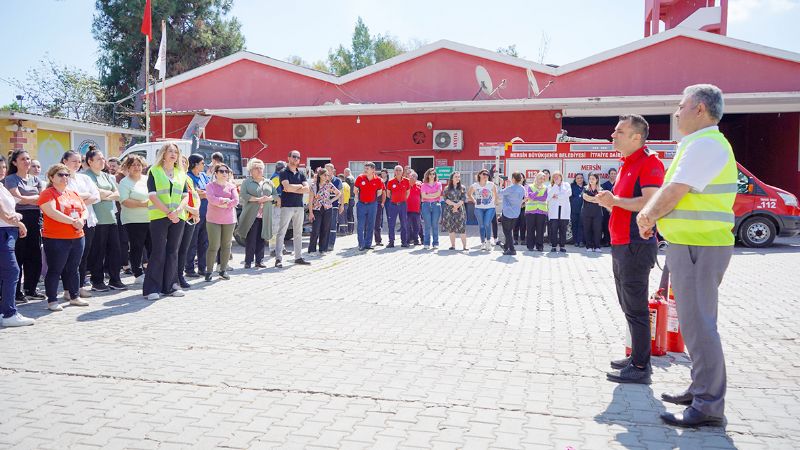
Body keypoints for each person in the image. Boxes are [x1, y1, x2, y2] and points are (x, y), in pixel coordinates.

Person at [635, 85, 736, 427]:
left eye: (682, 106)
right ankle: (700, 389)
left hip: (699, 246)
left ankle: (708, 405)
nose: (677, 113)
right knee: (695, 324)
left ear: (701, 110)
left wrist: (647, 216)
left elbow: (675, 191)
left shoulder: (706, 143)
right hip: (694, 245)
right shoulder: (699, 144)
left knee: (700, 325)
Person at [595, 114, 664, 387]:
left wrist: (616, 200)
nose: (613, 135)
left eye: (619, 132)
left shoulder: (649, 163)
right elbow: (625, 204)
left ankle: (640, 366)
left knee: (636, 308)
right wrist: (611, 203)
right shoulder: (626, 163)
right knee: (627, 305)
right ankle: (636, 356)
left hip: (636, 244)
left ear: (637, 137)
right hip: (622, 243)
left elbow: (650, 203)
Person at [38, 164, 88, 310]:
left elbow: (84, 210)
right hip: (56, 238)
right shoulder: (48, 193)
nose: (64, 177)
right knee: (55, 269)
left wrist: (82, 220)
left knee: (73, 268)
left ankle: (74, 296)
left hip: (77, 236)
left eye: (67, 175)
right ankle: (52, 300)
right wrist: (74, 222)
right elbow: (52, 212)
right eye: (60, 175)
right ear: (52, 177)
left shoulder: (73, 193)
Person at [144, 143, 189, 300]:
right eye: (170, 151)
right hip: (159, 216)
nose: (173, 154)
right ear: (163, 154)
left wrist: (177, 211)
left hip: (178, 217)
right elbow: (152, 195)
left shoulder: (181, 173)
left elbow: (185, 196)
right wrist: (168, 212)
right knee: (158, 251)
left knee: (172, 251)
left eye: (176, 152)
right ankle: (152, 288)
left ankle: (170, 286)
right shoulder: (154, 171)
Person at [5, 150, 45, 303]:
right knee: (19, 255)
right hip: (19, 220)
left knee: (34, 255)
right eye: (23, 159)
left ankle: (31, 289)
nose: (27, 162)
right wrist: (32, 199)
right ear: (15, 162)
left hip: (35, 219)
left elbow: (42, 199)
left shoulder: (36, 179)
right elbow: (16, 199)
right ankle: (16, 292)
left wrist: (26, 198)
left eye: (28, 159)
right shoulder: (11, 179)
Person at [84, 148, 126, 291]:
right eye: (99, 159)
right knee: (98, 251)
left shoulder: (107, 176)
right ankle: (97, 281)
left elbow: (117, 194)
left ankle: (115, 279)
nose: (103, 161)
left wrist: (104, 195)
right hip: (97, 219)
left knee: (115, 250)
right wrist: (106, 194)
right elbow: (95, 193)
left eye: (103, 158)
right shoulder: (87, 176)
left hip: (111, 217)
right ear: (90, 161)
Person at [61, 151, 100, 300]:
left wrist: (78, 201)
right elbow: (65, 198)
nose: (77, 164)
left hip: (87, 220)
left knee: (83, 255)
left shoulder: (85, 178)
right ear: (65, 161)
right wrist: (81, 198)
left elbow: (96, 196)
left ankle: (80, 286)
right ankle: (67, 289)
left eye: (79, 161)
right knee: (69, 257)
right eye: (74, 161)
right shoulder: (62, 179)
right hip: (70, 222)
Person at [0, 173, 34, 327]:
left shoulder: (2, 186)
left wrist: (15, 218)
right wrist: (18, 222)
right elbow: (3, 213)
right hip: (3, 232)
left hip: (8, 231)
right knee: (12, 271)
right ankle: (9, 313)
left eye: (3, 167)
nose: (2, 170)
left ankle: (4, 311)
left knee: (7, 272)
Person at [118, 155, 151, 284]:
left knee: (152, 246)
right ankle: (137, 273)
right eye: (133, 165)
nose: (137, 167)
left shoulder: (147, 179)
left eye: (139, 165)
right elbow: (125, 201)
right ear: (127, 167)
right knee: (137, 246)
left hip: (150, 218)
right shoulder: (124, 182)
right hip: (133, 220)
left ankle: (152, 271)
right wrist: (144, 203)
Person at [275, 150, 311, 267]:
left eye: (298, 157)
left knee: (298, 233)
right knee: (281, 233)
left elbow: (307, 189)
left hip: (299, 206)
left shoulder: (301, 173)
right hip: (287, 206)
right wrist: (300, 186)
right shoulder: (283, 172)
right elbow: (287, 187)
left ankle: (298, 257)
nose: (296, 159)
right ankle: (278, 259)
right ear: (288, 158)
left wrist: (294, 187)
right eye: (294, 157)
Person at [236, 158, 273, 268]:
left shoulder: (268, 182)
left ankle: (259, 261)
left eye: (261, 168)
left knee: (262, 238)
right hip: (252, 215)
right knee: (251, 239)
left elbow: (275, 195)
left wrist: (268, 198)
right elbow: (244, 195)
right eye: (256, 168)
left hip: (264, 215)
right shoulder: (247, 182)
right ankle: (248, 261)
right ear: (251, 170)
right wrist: (257, 199)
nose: (259, 170)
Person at [204, 164, 238, 281]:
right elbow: (211, 199)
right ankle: (208, 271)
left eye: (226, 171)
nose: (224, 173)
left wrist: (222, 204)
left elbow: (236, 201)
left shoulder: (232, 186)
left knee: (226, 245)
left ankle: (223, 270)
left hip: (229, 220)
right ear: (216, 173)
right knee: (214, 245)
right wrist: (224, 201)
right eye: (221, 171)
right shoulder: (210, 186)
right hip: (213, 220)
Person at [174, 155, 201, 290]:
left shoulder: (188, 178)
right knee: (176, 249)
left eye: (185, 162)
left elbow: (195, 195)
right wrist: (192, 210)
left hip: (190, 217)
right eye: (181, 161)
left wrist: (196, 211)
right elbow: (177, 199)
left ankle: (180, 275)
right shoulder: (175, 177)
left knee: (184, 249)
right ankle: (174, 277)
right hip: (180, 217)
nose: (183, 164)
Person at [185, 154, 210, 277]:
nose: (204, 165)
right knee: (192, 242)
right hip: (193, 214)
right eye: (202, 163)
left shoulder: (204, 176)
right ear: (195, 164)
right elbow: (194, 193)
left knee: (204, 243)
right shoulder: (188, 177)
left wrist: (203, 193)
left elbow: (209, 191)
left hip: (206, 214)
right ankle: (189, 269)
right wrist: (203, 193)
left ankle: (202, 268)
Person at [308, 167, 341, 254]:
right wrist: (310, 212)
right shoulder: (313, 186)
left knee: (326, 229)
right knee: (315, 229)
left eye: (328, 175)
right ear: (320, 175)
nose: (327, 176)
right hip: (316, 209)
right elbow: (310, 200)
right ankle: (312, 250)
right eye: (325, 175)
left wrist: (332, 200)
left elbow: (339, 193)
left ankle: (323, 249)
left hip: (327, 209)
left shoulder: (329, 185)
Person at [354, 162, 384, 251]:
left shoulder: (378, 180)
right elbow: (355, 190)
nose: (365, 170)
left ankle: (368, 244)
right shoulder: (360, 178)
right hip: (362, 204)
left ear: (373, 170)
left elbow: (379, 192)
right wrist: (359, 199)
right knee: (360, 225)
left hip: (373, 205)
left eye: (367, 168)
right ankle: (361, 244)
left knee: (371, 224)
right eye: (365, 168)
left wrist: (373, 198)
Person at [467, 169, 497, 251]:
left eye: (487, 175)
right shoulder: (475, 185)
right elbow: (469, 194)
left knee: (487, 224)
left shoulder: (491, 184)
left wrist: (494, 202)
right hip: (479, 208)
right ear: (479, 175)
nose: (485, 176)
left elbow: (495, 194)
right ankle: (483, 243)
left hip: (490, 208)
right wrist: (474, 201)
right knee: (481, 226)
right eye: (484, 174)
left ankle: (488, 242)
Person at [500, 173, 526, 256]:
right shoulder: (522, 188)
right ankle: (505, 246)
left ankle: (512, 249)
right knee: (509, 230)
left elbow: (500, 193)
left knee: (507, 231)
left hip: (507, 212)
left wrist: (501, 184)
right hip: (516, 213)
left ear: (513, 179)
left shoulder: (510, 188)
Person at [385, 165, 410, 248]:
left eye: (400, 170)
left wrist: (402, 199)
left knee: (404, 223)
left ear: (402, 172)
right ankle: (391, 242)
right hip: (393, 205)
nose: (398, 171)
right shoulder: (390, 182)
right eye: (397, 170)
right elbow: (388, 194)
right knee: (391, 224)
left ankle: (404, 242)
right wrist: (395, 199)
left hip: (403, 205)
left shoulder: (406, 181)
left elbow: (408, 192)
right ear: (394, 172)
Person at [547, 171, 572, 253]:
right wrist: (555, 186)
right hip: (554, 211)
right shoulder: (550, 186)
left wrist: (557, 196)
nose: (556, 179)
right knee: (553, 230)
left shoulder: (566, 185)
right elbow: (548, 196)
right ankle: (553, 246)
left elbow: (568, 193)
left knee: (563, 229)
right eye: (555, 177)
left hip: (564, 211)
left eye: (558, 177)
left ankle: (562, 246)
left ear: (561, 177)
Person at [442, 172, 467, 251]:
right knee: (451, 228)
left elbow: (463, 198)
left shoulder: (462, 188)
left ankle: (464, 247)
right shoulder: (447, 188)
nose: (457, 178)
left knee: (462, 228)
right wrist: (454, 205)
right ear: (452, 178)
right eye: (456, 177)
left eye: (459, 177)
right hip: (449, 210)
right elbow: (445, 199)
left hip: (460, 209)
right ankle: (453, 246)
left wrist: (457, 206)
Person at [523, 172, 548, 252]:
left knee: (540, 230)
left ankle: (539, 246)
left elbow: (544, 198)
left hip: (541, 211)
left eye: (543, 179)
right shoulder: (529, 186)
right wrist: (538, 191)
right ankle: (530, 246)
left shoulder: (546, 187)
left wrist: (535, 196)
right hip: (530, 211)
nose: (542, 180)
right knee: (530, 229)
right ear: (537, 178)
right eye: (541, 178)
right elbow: (530, 197)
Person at [419, 168, 442, 250]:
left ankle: (435, 243)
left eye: (433, 174)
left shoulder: (438, 184)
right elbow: (424, 196)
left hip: (436, 205)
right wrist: (433, 195)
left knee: (435, 225)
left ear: (435, 175)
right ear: (427, 175)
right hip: (426, 206)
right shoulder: (423, 185)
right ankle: (426, 243)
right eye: (430, 174)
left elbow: (438, 194)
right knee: (427, 225)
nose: (432, 176)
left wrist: (429, 195)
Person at [581, 173, 604, 252]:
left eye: (593, 179)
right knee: (587, 229)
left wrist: (591, 199)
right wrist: (595, 199)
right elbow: (585, 198)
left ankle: (597, 246)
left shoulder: (600, 189)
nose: (591, 180)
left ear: (597, 180)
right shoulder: (585, 188)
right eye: (590, 178)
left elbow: (600, 200)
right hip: (586, 212)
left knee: (597, 230)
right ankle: (589, 247)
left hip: (597, 213)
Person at [269, 160, 287, 255]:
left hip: (280, 205)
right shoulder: (276, 177)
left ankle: (281, 248)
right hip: (276, 205)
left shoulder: (279, 176)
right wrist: (278, 201)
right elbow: (274, 192)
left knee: (280, 228)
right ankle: (272, 249)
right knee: (275, 228)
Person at [324, 163, 343, 251]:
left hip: (334, 206)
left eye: (328, 169)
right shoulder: (322, 180)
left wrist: (341, 205)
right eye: (325, 169)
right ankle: (324, 243)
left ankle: (331, 244)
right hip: (323, 206)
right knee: (324, 225)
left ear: (332, 170)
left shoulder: (337, 180)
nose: (326, 171)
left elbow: (341, 194)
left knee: (332, 225)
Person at [601, 167, 618, 246]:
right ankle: (606, 241)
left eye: (615, 174)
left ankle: (613, 241)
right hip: (606, 209)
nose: (613, 175)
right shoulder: (604, 185)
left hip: (616, 208)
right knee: (606, 225)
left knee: (615, 225)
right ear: (609, 175)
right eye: (612, 174)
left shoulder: (618, 184)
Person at [405, 171, 422, 246]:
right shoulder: (405, 185)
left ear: (416, 178)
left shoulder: (419, 186)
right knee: (407, 226)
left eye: (415, 176)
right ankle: (407, 240)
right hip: (407, 209)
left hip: (416, 210)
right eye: (412, 176)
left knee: (417, 226)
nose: (413, 177)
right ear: (409, 177)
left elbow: (422, 197)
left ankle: (416, 240)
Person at [374, 169, 389, 246]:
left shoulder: (380, 181)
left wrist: (383, 202)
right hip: (368, 204)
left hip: (378, 203)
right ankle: (366, 240)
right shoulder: (365, 180)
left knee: (377, 222)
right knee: (367, 223)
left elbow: (384, 193)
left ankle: (378, 240)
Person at [570, 173, 586, 247]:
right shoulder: (572, 187)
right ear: (575, 180)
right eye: (578, 178)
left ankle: (581, 241)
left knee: (582, 225)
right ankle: (575, 241)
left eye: (581, 178)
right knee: (574, 225)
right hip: (574, 210)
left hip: (583, 210)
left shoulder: (586, 187)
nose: (580, 179)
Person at [512, 177, 527, 245]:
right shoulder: (513, 187)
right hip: (515, 208)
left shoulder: (526, 187)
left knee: (523, 224)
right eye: (518, 177)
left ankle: (523, 239)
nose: (520, 179)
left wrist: (522, 201)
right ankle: (515, 239)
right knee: (515, 224)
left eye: (521, 177)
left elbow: (527, 197)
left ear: (523, 179)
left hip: (524, 208)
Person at [343, 167, 356, 234]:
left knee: (348, 214)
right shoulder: (353, 178)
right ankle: (351, 229)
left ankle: (349, 230)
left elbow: (347, 189)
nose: (344, 174)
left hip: (348, 198)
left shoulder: (348, 179)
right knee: (351, 214)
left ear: (347, 172)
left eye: (344, 172)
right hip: (352, 198)